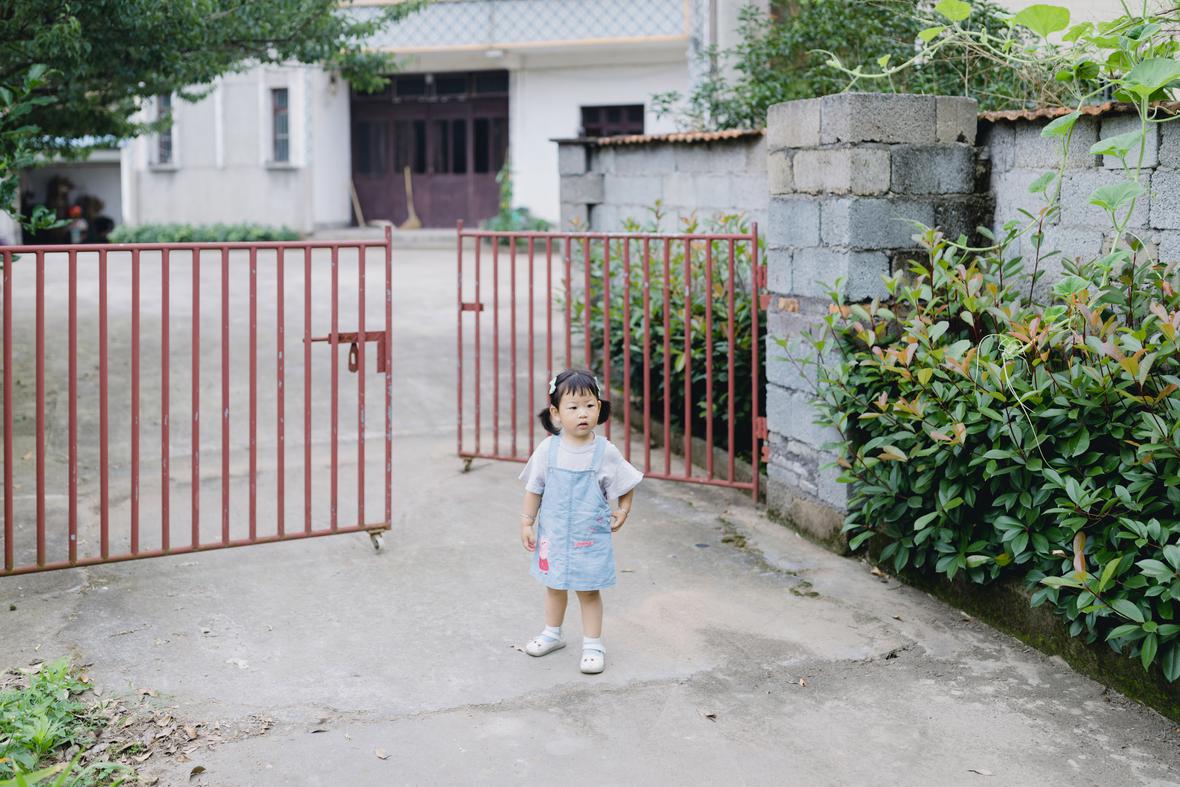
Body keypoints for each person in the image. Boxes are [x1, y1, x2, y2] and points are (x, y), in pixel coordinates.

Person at [518, 368, 643, 674]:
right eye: (573, 407)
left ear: (599, 408)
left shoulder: (605, 452)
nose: (582, 413)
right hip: (555, 536)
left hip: (589, 539)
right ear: (556, 413)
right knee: (554, 586)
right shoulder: (548, 449)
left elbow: (626, 483)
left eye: (589, 405)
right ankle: (552, 633)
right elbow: (534, 488)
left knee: (588, 591)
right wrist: (526, 522)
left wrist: (623, 510)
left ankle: (593, 644)